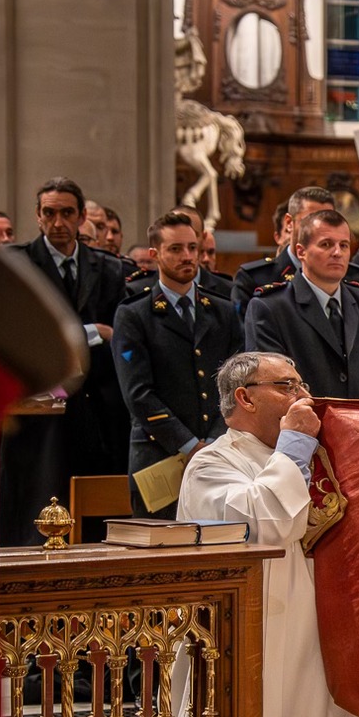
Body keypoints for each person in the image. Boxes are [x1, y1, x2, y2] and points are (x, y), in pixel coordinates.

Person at [178, 352, 357, 717]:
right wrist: (294, 445)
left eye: (302, 385)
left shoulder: (319, 456)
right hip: (254, 625)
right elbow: (265, 525)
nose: (302, 396)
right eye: (286, 386)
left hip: (317, 620)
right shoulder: (211, 465)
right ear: (244, 397)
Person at [114, 212, 245, 515]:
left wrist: (213, 441)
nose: (187, 256)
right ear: (154, 254)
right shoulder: (135, 314)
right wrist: (189, 445)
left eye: (192, 248)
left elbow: (236, 383)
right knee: (158, 552)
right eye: (175, 249)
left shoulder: (221, 311)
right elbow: (138, 394)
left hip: (220, 453)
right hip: (159, 456)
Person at [24, 176, 132, 478]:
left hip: (98, 403)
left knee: (95, 499)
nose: (58, 222)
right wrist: (94, 332)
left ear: (82, 217)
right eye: (49, 213)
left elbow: (120, 333)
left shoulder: (109, 268)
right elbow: (30, 336)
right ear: (38, 216)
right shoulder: (21, 265)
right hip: (43, 405)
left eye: (67, 213)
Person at [246, 208, 359, 400]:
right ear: (301, 252)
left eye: (344, 245)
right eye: (326, 244)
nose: (337, 253)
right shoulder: (271, 308)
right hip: (306, 426)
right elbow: (271, 387)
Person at [234, 185, 337, 314]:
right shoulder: (255, 279)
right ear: (289, 223)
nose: (319, 231)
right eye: (309, 221)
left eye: (328, 223)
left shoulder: (350, 275)